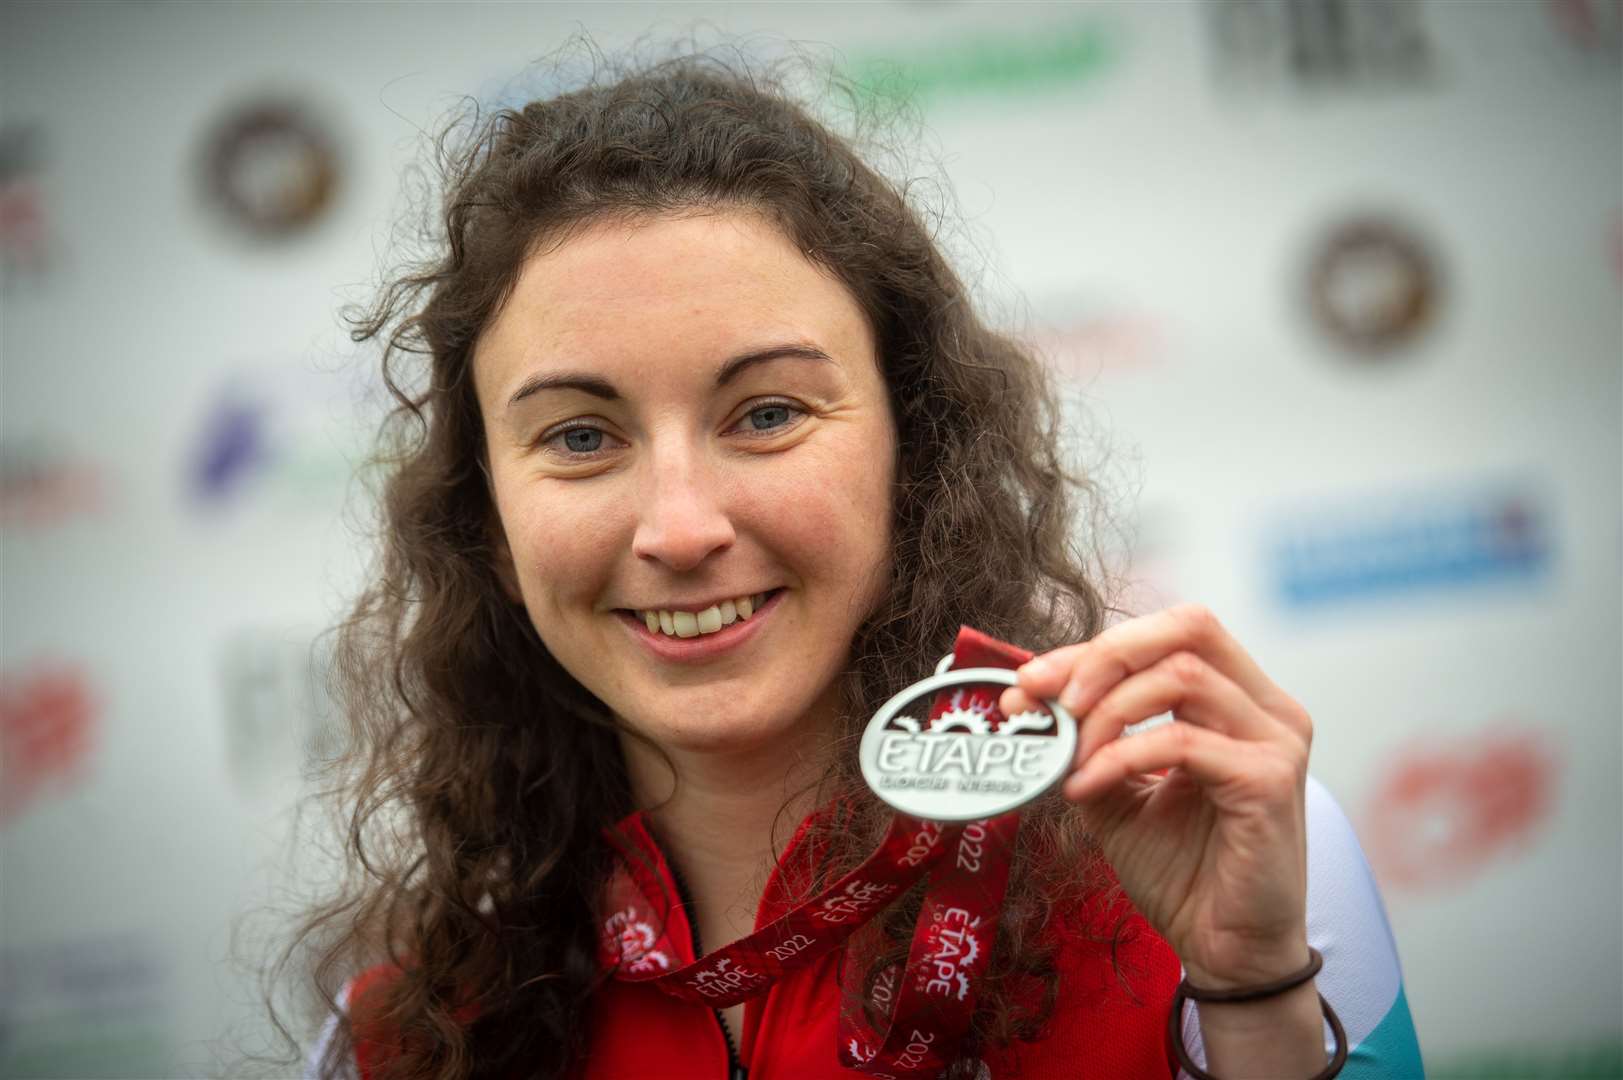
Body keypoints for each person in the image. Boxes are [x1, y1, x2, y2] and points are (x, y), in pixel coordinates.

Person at [292, 50, 1423, 1080]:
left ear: (912, 446)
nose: (680, 530)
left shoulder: (1222, 866)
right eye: (581, 437)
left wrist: (1252, 994)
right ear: (485, 510)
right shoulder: (400, 1037)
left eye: (769, 413)